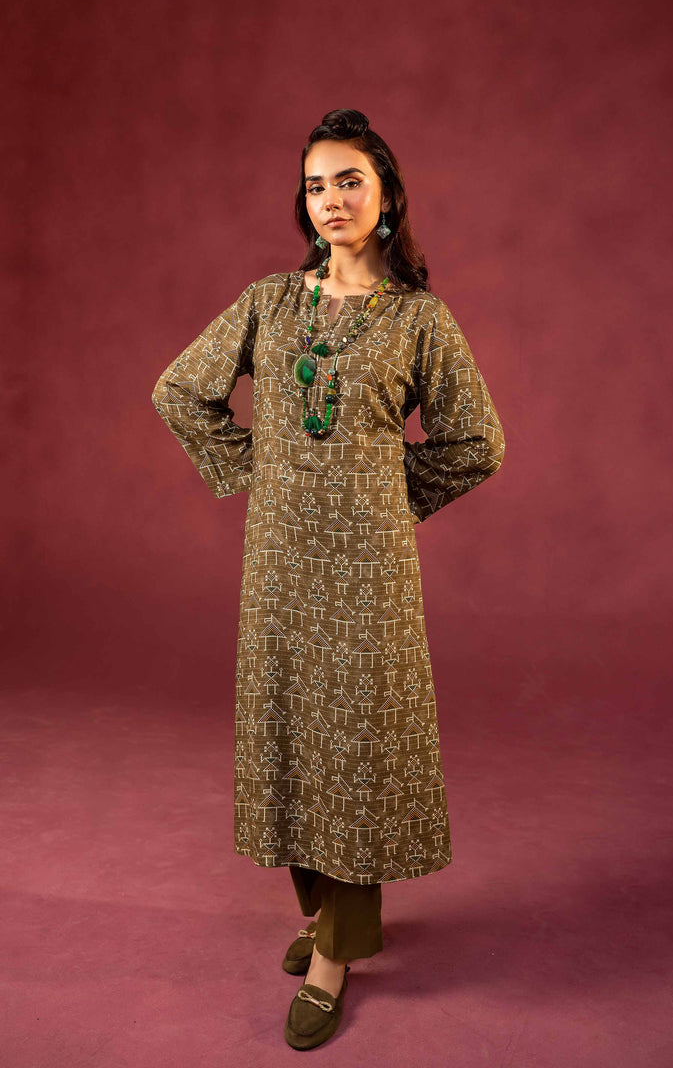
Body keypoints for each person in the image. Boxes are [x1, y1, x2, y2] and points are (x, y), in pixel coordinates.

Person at [151, 108, 505, 1049]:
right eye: (316, 184)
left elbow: (477, 442)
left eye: (350, 180)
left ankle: (336, 957)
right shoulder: (271, 302)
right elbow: (179, 389)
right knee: (291, 738)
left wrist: (386, 499)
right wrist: (255, 468)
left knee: (355, 752)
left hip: (368, 576)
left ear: (387, 194)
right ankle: (328, 916)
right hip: (279, 566)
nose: (332, 199)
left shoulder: (420, 319)